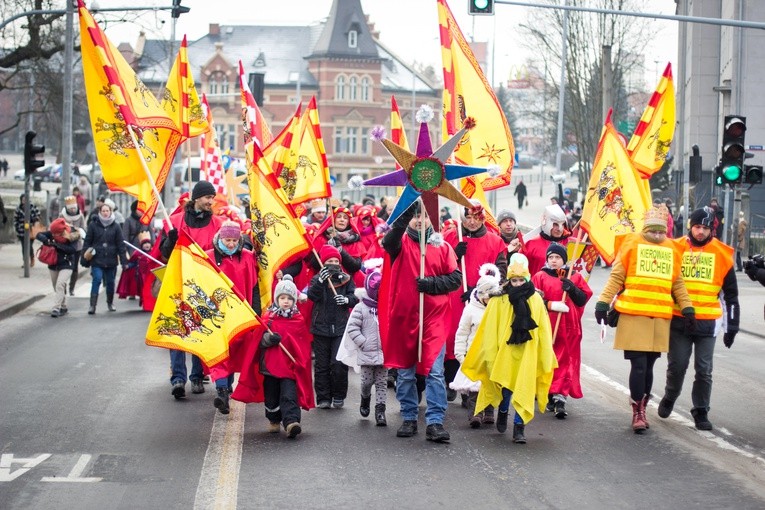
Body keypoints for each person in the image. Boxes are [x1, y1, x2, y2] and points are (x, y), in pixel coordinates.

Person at [594, 206, 694, 434]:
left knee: (649, 366)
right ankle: (636, 411)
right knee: (639, 366)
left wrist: (688, 308)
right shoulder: (631, 244)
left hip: (658, 316)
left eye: (661, 232)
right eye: (653, 231)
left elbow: (677, 283)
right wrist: (603, 302)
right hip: (633, 314)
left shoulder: (672, 248)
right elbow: (617, 277)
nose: (658, 236)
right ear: (646, 228)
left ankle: (642, 407)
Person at [381, 201, 462, 443]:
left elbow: (455, 279)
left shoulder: (443, 247)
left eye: (424, 217)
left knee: (435, 373)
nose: (420, 221)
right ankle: (408, 416)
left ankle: (435, 422)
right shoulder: (400, 244)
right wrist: (408, 208)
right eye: (416, 217)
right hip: (404, 319)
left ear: (431, 220)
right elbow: (389, 241)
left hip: (433, 320)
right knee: (405, 374)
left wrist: (432, 285)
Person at [461, 253, 557, 444]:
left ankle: (519, 427)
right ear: (509, 279)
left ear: (527, 278)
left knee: (525, 387)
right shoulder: (500, 300)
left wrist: (545, 350)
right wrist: (490, 352)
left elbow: (543, 328)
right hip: (505, 351)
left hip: (527, 351)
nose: (518, 284)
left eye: (522, 280)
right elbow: (490, 328)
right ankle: (503, 411)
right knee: (505, 387)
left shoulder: (535, 300)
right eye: (514, 280)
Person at [657, 207, 739, 431]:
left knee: (704, 369)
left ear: (712, 228)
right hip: (679, 319)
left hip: (708, 322)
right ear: (690, 226)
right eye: (697, 227)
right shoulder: (675, 248)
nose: (701, 231)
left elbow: (731, 295)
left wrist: (732, 325)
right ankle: (670, 396)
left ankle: (701, 411)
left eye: (705, 227)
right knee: (677, 366)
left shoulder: (722, 254)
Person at [159, 180, 224, 399]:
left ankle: (197, 377)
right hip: (178, 283)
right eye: (208, 197)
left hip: (203, 285)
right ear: (197, 198)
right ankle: (178, 378)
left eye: (213, 198)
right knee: (178, 331)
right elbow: (165, 255)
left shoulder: (218, 224)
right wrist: (170, 241)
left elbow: (222, 252)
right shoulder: (175, 221)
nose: (211, 201)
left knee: (199, 331)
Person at [233, 275, 314, 438]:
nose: (285, 301)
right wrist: (268, 339)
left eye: (289, 298)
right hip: (270, 366)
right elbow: (257, 342)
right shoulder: (268, 319)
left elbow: (302, 344)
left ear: (294, 300)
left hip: (290, 367)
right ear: (277, 298)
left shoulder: (298, 320)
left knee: (289, 394)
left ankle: (291, 422)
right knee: (271, 397)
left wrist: (300, 361)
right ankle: (274, 419)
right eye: (282, 298)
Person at [443, 201, 507, 401]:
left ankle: (472, 388)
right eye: (468, 218)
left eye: (476, 218)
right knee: (454, 336)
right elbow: (438, 264)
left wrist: (479, 291)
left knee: (475, 340)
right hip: (453, 296)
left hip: (482, 300)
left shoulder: (495, 241)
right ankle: (450, 379)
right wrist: (454, 253)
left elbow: (501, 273)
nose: (472, 222)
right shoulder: (451, 237)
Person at [531, 242, 592, 418]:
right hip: (547, 324)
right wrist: (550, 304)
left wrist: (572, 289)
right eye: (551, 257)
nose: (554, 261)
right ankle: (549, 391)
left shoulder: (574, 276)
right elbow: (533, 300)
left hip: (569, 326)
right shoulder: (540, 276)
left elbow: (582, 299)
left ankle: (560, 397)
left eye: (557, 257)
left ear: (564, 259)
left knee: (566, 360)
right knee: (548, 358)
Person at [204, 220, 260, 415]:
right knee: (221, 353)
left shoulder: (247, 257)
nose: (230, 244)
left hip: (241, 314)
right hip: (217, 315)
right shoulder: (209, 257)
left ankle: (226, 388)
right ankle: (221, 391)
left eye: (234, 240)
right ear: (220, 237)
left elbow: (254, 285)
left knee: (236, 353)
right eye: (227, 239)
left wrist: (256, 310)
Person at [308, 244, 358, 409]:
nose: (334, 263)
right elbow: (312, 296)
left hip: (340, 328)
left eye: (336, 260)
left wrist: (346, 300)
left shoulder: (347, 278)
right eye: (330, 260)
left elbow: (354, 297)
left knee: (338, 364)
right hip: (320, 328)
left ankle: (338, 395)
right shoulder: (317, 279)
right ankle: (323, 398)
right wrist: (321, 281)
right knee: (321, 366)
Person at [451, 264, 501, 428]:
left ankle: (488, 412)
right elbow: (462, 333)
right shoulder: (471, 310)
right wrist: (460, 354)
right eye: (488, 297)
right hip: (474, 354)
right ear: (481, 295)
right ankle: (475, 414)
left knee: (490, 384)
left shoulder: (497, 309)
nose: (490, 301)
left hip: (492, 354)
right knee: (474, 388)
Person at [343, 269, 388, 426]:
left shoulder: (386, 306)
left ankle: (380, 411)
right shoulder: (360, 308)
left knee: (382, 383)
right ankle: (365, 398)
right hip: (366, 353)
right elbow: (353, 327)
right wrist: (363, 342)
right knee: (366, 382)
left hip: (383, 354)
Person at [82, 200, 128, 314]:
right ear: (100, 212)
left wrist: (124, 261)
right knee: (96, 279)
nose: (106, 213)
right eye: (103, 211)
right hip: (97, 259)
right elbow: (87, 242)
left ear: (111, 211)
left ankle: (110, 303)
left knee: (110, 282)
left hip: (111, 260)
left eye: (107, 210)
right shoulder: (93, 225)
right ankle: (92, 306)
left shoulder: (116, 226)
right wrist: (83, 258)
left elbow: (121, 245)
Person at [35, 218, 79, 317]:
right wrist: (45, 240)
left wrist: (56, 245)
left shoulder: (71, 234)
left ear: (61, 232)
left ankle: (56, 307)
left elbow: (72, 249)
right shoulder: (52, 232)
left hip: (67, 263)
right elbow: (38, 235)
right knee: (56, 286)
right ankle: (63, 305)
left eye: (56, 234)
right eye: (52, 233)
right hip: (53, 263)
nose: (53, 235)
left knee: (60, 283)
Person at [524, 204, 570, 275]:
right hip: (537, 284)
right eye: (555, 224)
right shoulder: (530, 244)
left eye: (562, 224)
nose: (560, 229)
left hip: (564, 285)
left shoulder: (572, 243)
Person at [61, 196, 86, 296]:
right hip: (65, 244)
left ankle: (72, 288)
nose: (72, 210)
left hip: (77, 245)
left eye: (74, 208)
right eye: (70, 208)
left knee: (75, 268)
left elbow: (83, 228)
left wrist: (77, 230)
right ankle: (64, 287)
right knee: (65, 267)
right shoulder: (62, 215)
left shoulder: (80, 216)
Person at [13, 194, 40, 267]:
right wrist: (17, 228)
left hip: (31, 231)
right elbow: (15, 219)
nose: (24, 201)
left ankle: (32, 258)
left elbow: (38, 216)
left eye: (26, 200)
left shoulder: (33, 207)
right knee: (24, 247)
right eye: (23, 200)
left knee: (29, 246)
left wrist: (33, 219)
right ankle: (25, 261)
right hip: (22, 231)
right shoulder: (18, 209)